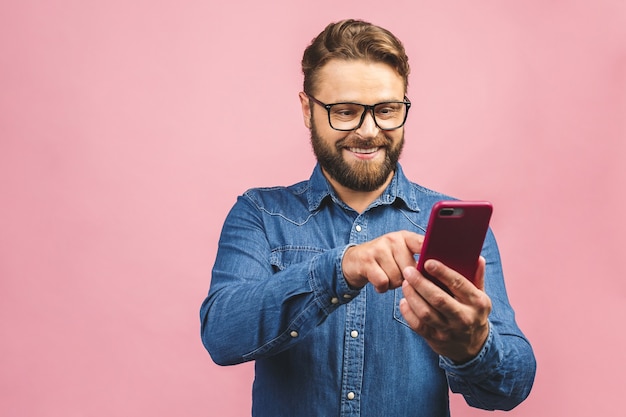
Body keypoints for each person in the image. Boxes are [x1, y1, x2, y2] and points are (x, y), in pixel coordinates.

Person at [200, 19, 536, 416]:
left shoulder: (452, 228)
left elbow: (511, 388)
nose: (369, 130)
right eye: (345, 112)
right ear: (308, 109)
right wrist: (341, 268)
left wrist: (473, 347)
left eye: (387, 110)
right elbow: (222, 335)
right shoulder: (259, 214)